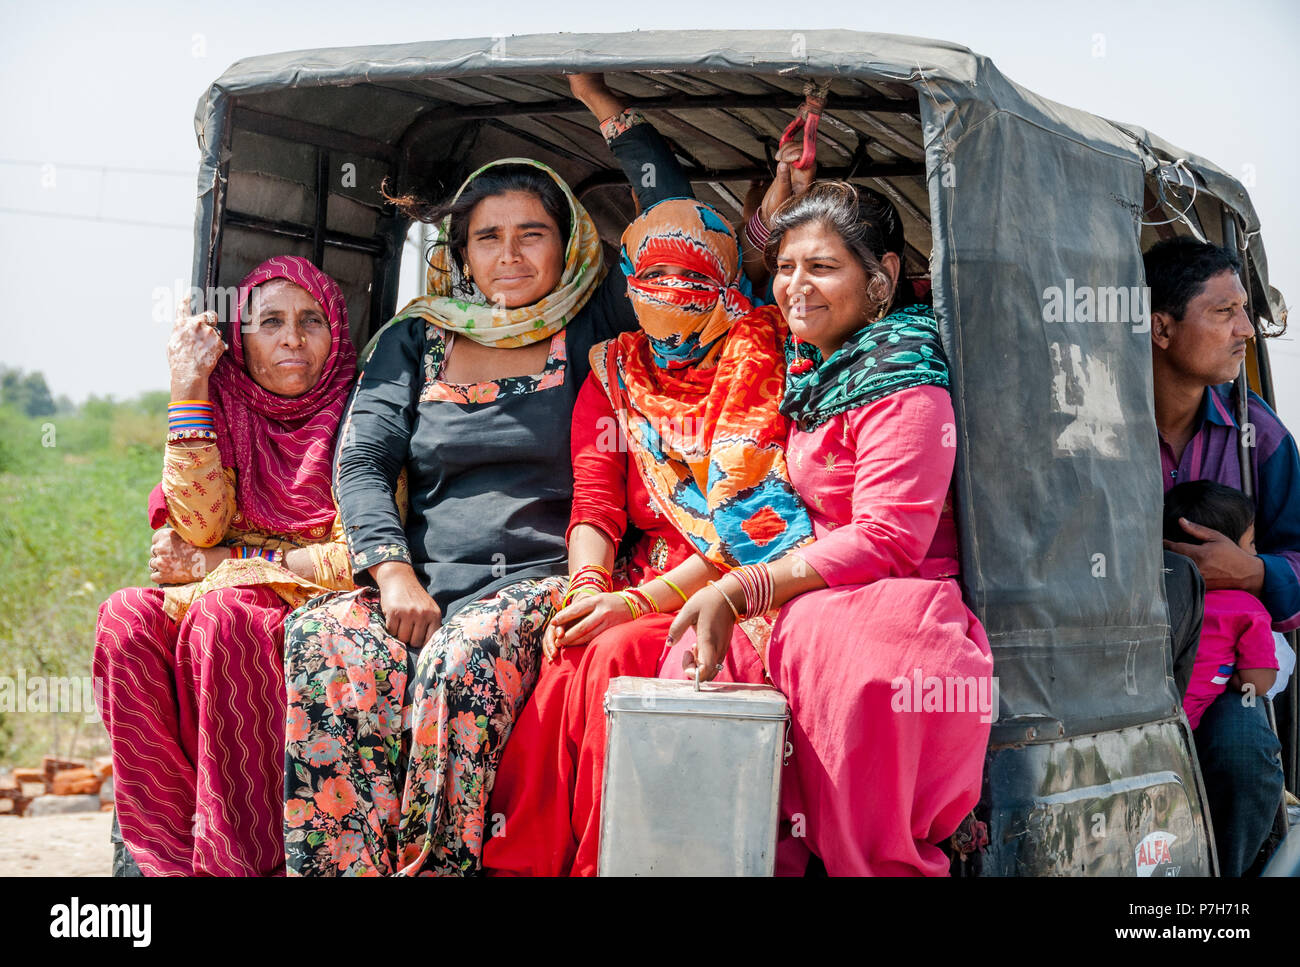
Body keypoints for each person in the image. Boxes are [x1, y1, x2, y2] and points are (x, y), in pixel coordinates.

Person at [280, 75, 693, 876]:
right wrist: (392, 575)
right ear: (460, 253)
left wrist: (606, 108)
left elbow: (671, 220)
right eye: (487, 237)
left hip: (544, 581)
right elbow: (362, 459)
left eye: (531, 234)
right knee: (324, 635)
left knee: (459, 659)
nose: (509, 255)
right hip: (417, 587)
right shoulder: (415, 338)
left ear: (567, 242)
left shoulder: (594, 322)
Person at [663, 182, 994, 876]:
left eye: (821, 267)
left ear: (883, 278)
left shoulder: (906, 375)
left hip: (894, 594)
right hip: (812, 587)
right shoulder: (811, 372)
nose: (794, 286)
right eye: (785, 267)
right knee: (683, 665)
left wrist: (746, 589)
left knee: (842, 657)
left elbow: (890, 537)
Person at [483, 197, 813, 877]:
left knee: (613, 657)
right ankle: (524, 861)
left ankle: (611, 861)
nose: (669, 309)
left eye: (690, 289)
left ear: (727, 290)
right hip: (631, 579)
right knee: (567, 657)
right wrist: (587, 588)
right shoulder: (615, 369)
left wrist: (632, 606)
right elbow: (595, 500)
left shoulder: (759, 356)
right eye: (649, 286)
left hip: (732, 588)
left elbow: (750, 525)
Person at [94, 256, 358, 876]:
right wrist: (188, 388)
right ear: (241, 339)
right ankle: (163, 857)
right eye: (270, 322)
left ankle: (238, 861)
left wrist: (228, 562)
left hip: (311, 603)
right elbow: (199, 526)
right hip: (216, 589)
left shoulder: (361, 413)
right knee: (124, 617)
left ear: (336, 332)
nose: (292, 338)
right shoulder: (226, 403)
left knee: (225, 612)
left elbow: (356, 560)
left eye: (310, 320)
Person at [1146, 235, 1300, 875]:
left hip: (1221, 672)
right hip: (1108, 664)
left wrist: (1255, 572)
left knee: (1241, 759)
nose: (1245, 331)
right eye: (1223, 312)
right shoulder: (1087, 426)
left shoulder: (1256, 432)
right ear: (1160, 326)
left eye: (1246, 311)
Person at [1163, 481, 1278, 729]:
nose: (1256, 552)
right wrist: (1230, 676)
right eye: (1252, 543)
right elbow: (1256, 681)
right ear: (1223, 552)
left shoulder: (1148, 592)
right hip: (1181, 729)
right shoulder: (1248, 610)